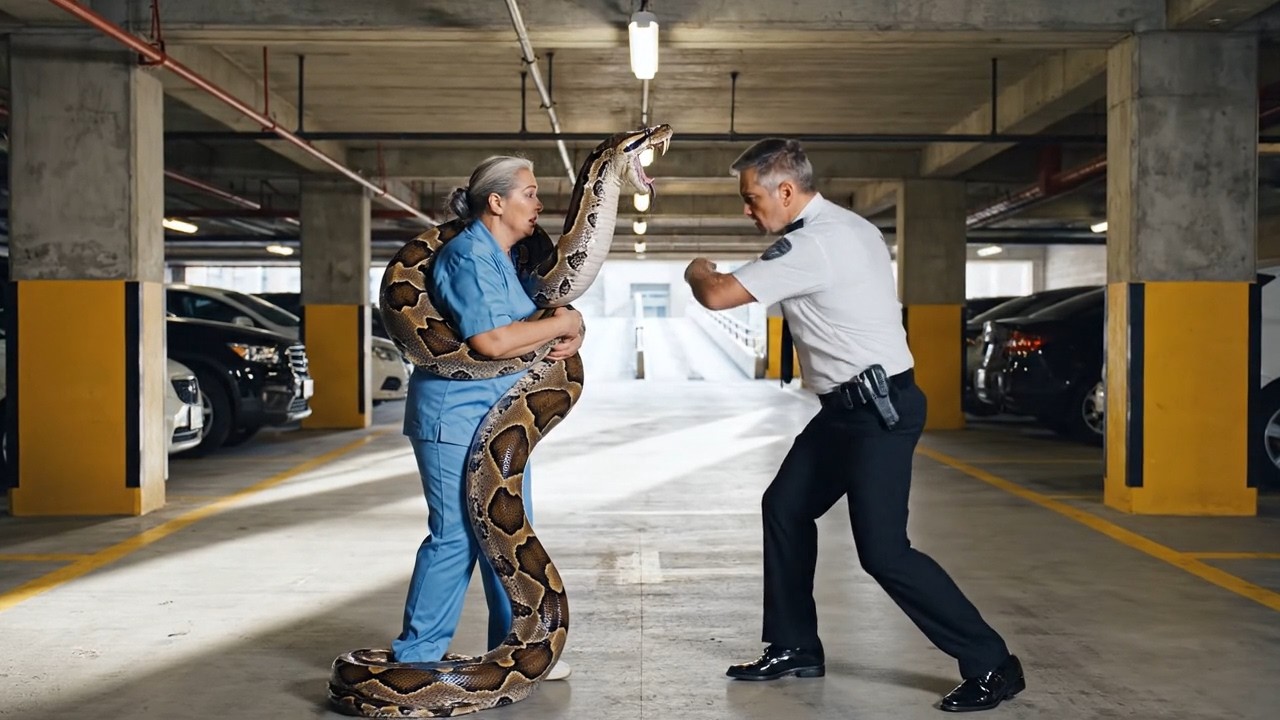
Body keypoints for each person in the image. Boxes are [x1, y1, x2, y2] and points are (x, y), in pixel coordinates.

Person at [682, 138, 1023, 712]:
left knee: (884, 552)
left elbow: (717, 294)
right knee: (785, 507)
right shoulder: (852, 228)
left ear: (785, 191)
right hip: (846, 408)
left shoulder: (814, 244)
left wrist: (698, 267)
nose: (747, 211)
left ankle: (993, 664)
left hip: (876, 412)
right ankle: (794, 645)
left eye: (750, 199)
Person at [392, 156, 582, 681]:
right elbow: (492, 341)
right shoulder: (467, 256)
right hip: (453, 414)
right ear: (496, 202)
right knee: (455, 535)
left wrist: (569, 325)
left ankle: (517, 648)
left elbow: (535, 329)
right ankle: (414, 661)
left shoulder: (503, 258)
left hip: (501, 414)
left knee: (506, 530)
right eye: (529, 192)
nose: (539, 204)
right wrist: (564, 321)